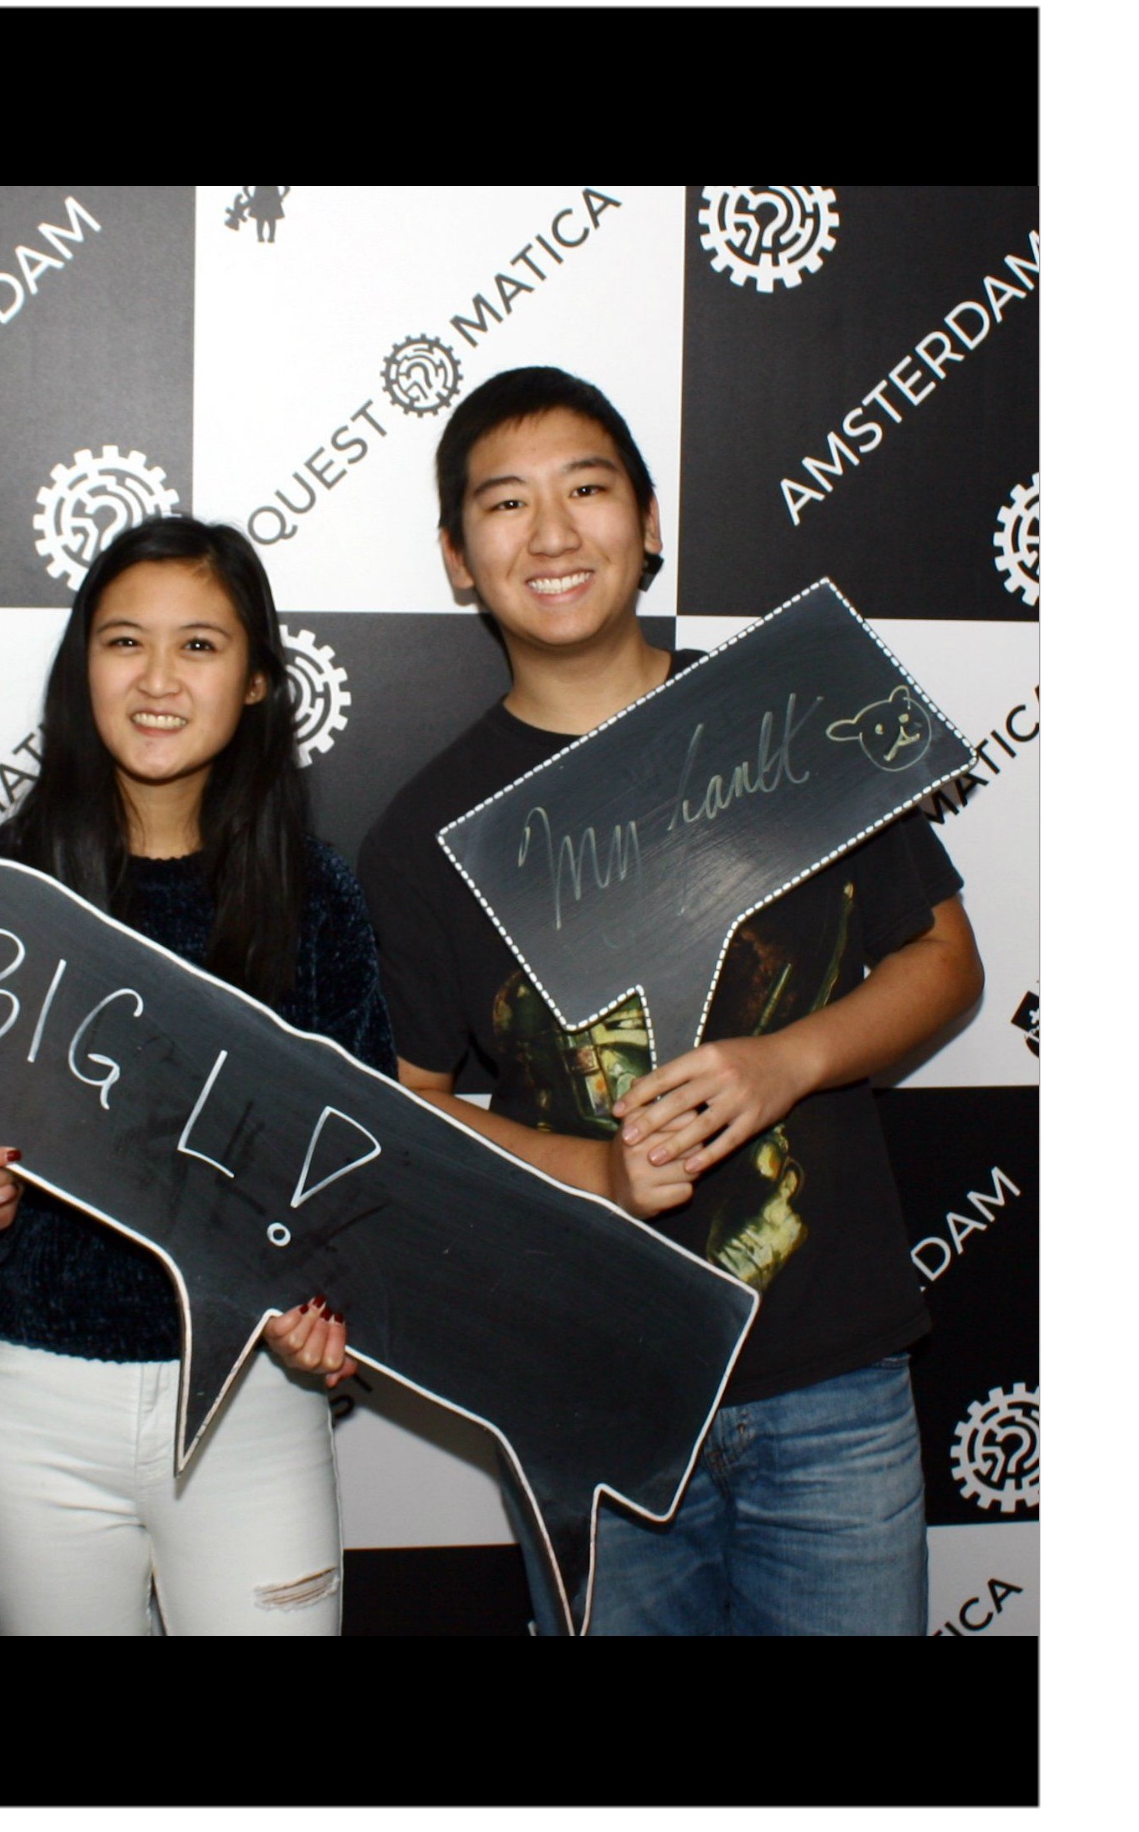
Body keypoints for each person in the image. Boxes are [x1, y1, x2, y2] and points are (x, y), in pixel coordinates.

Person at [357, 365, 983, 1636]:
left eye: (585, 490)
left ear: (647, 523)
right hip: (587, 1390)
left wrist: (786, 1061)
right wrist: (593, 1171)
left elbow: (942, 961)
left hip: (831, 1377)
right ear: (456, 558)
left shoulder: (786, 715)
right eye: (504, 503)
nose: (550, 533)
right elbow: (409, 1106)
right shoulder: (422, 836)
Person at [0, 516, 395, 1636]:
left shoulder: (315, 898)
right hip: (26, 1406)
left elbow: (360, 1180)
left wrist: (329, 1305)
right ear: (81, 667)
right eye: (125, 641)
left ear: (258, 680)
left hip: (250, 1407)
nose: (158, 679)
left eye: (199, 646)